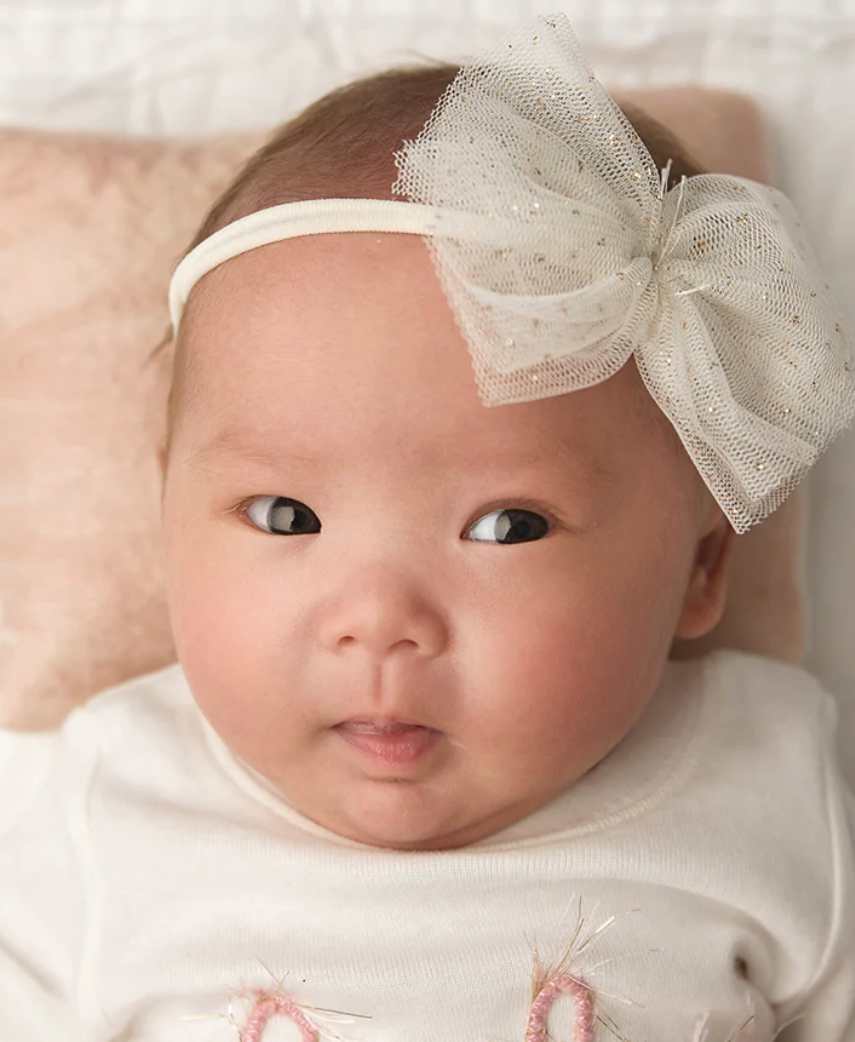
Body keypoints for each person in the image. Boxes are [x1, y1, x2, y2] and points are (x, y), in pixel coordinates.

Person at [1, 13, 853, 1042]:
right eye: (286, 515)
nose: (378, 621)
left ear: (702, 565)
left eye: (506, 526)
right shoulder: (111, 797)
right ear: (166, 510)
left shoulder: (767, 773)